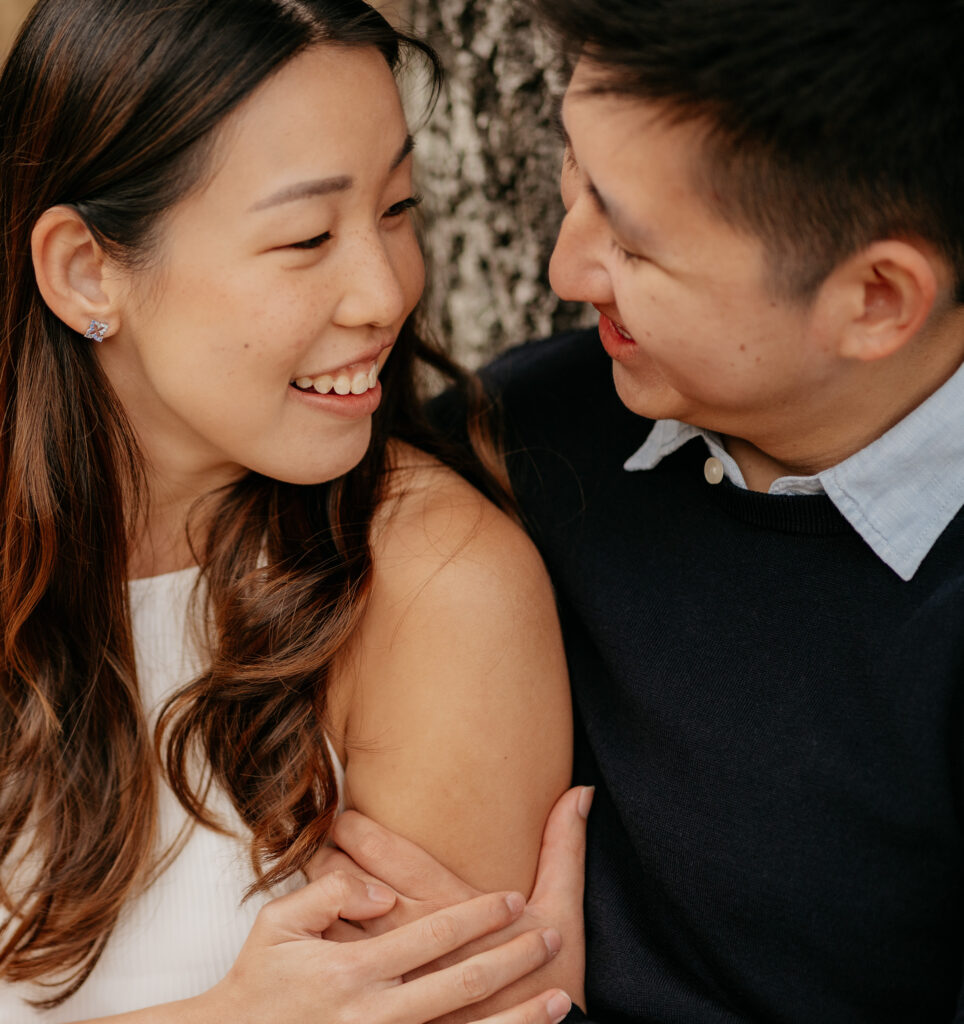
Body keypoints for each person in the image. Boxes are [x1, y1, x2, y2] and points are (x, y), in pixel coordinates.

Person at [308, 1, 964, 1021]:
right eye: (573, 170)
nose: (564, 270)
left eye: (636, 246)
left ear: (875, 299)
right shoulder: (534, 429)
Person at [0, 1, 585, 1021]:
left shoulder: (432, 586)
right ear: (87, 271)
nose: (384, 294)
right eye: (307, 236)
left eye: (398, 207)